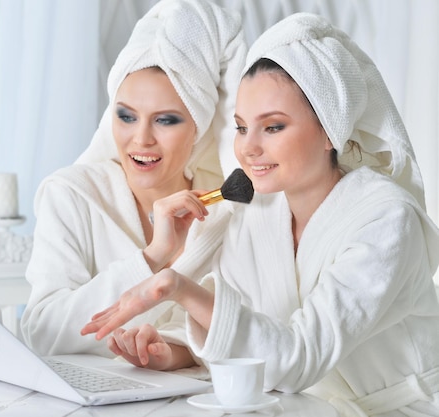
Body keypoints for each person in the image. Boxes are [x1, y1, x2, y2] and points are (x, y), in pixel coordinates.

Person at [81, 13, 439, 416]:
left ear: (329, 131)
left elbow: (297, 356)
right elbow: (246, 323)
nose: (248, 148)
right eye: (240, 127)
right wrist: (175, 351)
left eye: (272, 128)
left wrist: (178, 288)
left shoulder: (386, 219)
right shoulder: (260, 210)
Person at [20, 0, 247, 363]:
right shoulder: (71, 195)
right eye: (126, 116)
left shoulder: (226, 207)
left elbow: (248, 327)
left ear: (199, 127)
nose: (141, 139)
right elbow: (43, 333)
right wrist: (153, 257)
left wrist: (171, 354)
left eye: (166, 120)